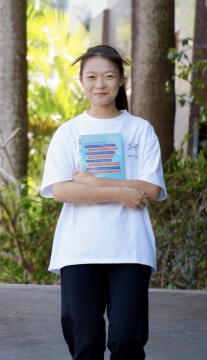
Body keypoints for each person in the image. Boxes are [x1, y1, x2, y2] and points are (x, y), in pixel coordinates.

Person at [40, 45, 167, 359]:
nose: (100, 84)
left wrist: (95, 183)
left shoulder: (140, 130)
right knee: (86, 343)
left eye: (109, 77)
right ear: (81, 81)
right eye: (92, 77)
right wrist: (120, 192)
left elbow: (151, 188)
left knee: (126, 341)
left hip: (130, 248)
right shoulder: (69, 132)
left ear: (121, 80)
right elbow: (61, 190)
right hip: (79, 249)